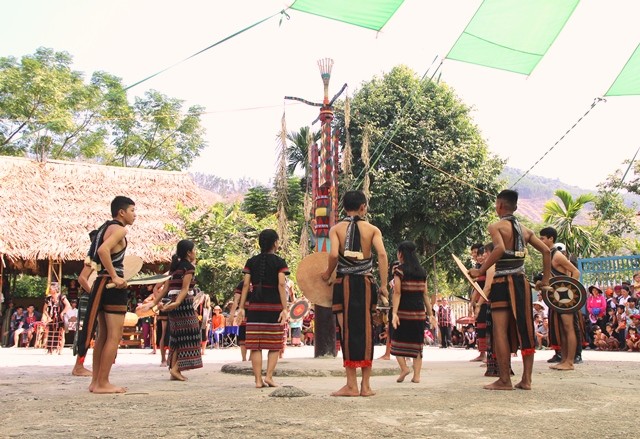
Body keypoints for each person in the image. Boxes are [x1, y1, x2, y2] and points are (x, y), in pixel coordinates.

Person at [469, 189, 551, 391]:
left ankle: (504, 380)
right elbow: (546, 251)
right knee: (526, 329)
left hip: (501, 284)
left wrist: (480, 270)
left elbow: (498, 249)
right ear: (514, 207)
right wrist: (546, 280)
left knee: (500, 331)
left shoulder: (496, 227)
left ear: (499, 206)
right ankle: (526, 380)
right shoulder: (525, 231)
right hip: (520, 282)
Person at [321, 190, 389, 397]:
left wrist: (327, 273)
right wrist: (384, 285)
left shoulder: (336, 229)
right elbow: (382, 254)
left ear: (344, 207)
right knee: (368, 331)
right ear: (362, 207)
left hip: (345, 284)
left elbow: (333, 254)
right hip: (367, 284)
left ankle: (351, 385)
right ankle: (366, 386)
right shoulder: (372, 229)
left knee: (347, 331)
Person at [78, 195, 136, 393]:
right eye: (132, 211)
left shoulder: (106, 228)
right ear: (121, 212)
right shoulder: (120, 229)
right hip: (112, 287)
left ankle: (96, 382)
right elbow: (103, 251)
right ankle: (103, 382)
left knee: (102, 335)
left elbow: (100, 252)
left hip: (101, 284)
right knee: (114, 335)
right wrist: (115, 277)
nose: (134, 215)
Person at [139, 240, 202, 381]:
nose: (195, 253)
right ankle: (176, 368)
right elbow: (185, 289)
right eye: (194, 250)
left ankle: (173, 368)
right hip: (183, 303)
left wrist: (154, 303)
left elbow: (166, 288)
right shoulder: (189, 268)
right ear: (188, 252)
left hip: (173, 303)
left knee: (176, 337)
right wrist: (178, 302)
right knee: (192, 335)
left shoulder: (174, 268)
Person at [237, 229, 289, 388]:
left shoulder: (251, 261)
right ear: (275, 243)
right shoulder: (280, 262)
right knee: (274, 344)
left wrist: (241, 308)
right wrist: (285, 308)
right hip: (273, 307)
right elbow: (281, 284)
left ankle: (258, 380)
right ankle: (269, 377)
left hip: (255, 307)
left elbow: (246, 284)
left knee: (255, 345)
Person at [539, 227, 582, 370]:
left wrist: (570, 291)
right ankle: (564, 359)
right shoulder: (547, 255)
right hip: (557, 298)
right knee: (562, 329)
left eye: (543, 238)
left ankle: (570, 361)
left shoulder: (557, 255)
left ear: (551, 239)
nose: (541, 241)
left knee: (568, 327)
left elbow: (575, 272)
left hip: (565, 299)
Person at [390, 240, 432, 384]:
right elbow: (425, 294)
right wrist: (431, 314)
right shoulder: (422, 272)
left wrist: (394, 313)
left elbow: (397, 293)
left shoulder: (399, 271)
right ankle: (417, 376)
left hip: (403, 313)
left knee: (396, 341)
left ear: (401, 254)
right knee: (417, 344)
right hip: (419, 313)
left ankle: (404, 368)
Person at [43, 282, 71, 354]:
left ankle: (60, 350)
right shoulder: (48, 299)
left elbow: (68, 305)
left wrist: (62, 313)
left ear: (55, 289)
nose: (49, 290)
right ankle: (50, 349)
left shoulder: (62, 297)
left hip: (60, 318)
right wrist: (48, 317)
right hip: (52, 318)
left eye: (51, 289)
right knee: (50, 333)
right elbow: (44, 309)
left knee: (61, 333)